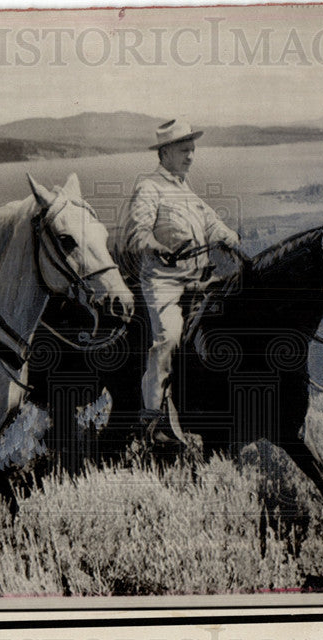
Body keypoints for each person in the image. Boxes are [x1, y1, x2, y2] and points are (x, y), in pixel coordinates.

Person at [114, 119, 241, 447]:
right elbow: (136, 233)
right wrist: (157, 248)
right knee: (168, 341)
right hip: (164, 282)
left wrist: (228, 236)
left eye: (193, 150)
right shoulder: (149, 187)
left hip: (200, 281)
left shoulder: (185, 188)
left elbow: (211, 223)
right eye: (185, 150)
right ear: (165, 152)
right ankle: (154, 424)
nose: (191, 156)